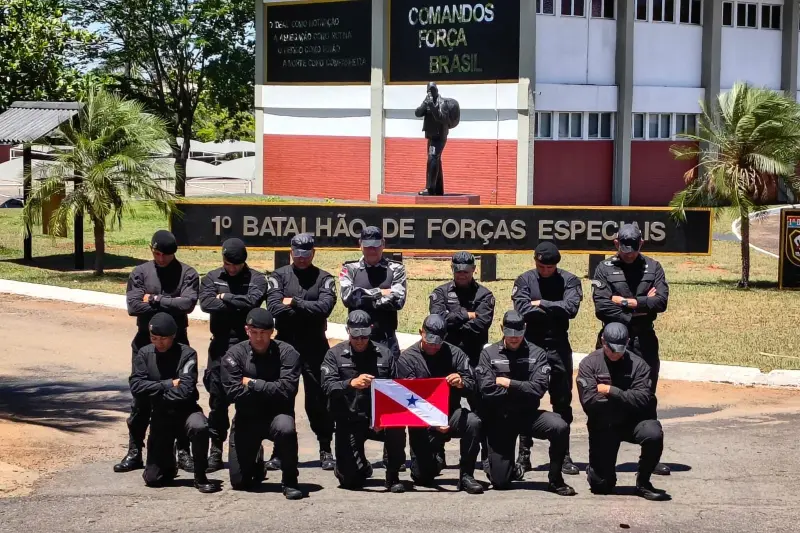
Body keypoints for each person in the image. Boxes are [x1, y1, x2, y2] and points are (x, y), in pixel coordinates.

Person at [115, 230, 199, 474]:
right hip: (145, 342)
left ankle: (183, 451)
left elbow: (188, 304)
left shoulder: (187, 273)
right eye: (157, 254)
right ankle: (134, 451)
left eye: (166, 255)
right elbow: (133, 306)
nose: (161, 259)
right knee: (140, 399)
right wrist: (170, 302)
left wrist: (153, 299)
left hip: (178, 344)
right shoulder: (140, 272)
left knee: (182, 396)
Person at [591, 222, 670, 476]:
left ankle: (650, 458)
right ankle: (600, 457)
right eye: (624, 249)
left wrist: (625, 302)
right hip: (612, 339)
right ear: (616, 244)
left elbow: (661, 302)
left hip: (644, 340)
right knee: (604, 395)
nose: (629, 254)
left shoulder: (653, 267)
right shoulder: (604, 268)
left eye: (634, 249)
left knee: (646, 395)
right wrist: (641, 307)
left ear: (641, 244)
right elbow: (602, 307)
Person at [476, 311, 576, 496]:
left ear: (525, 328)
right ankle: (509, 468)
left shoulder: (537, 353)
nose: (514, 338)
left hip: (528, 415)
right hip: (501, 418)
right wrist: (523, 389)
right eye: (510, 333)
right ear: (501, 329)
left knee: (560, 426)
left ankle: (556, 479)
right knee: (500, 481)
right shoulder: (488, 353)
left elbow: (538, 389)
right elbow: (487, 390)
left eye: (518, 333)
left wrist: (508, 383)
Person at [266, 233, 337, 472]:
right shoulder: (278, 276)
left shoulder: (324, 278)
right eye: (297, 255)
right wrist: (308, 308)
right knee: (282, 397)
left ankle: (325, 448)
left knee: (318, 399)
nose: (301, 259)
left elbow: (325, 309)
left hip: (315, 346)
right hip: (285, 346)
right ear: (291, 253)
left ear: (313, 253)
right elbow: (274, 308)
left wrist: (295, 303)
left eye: (306, 255)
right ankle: (279, 450)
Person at [577, 323, 670, 501]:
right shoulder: (589, 364)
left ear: (627, 342)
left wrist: (611, 391)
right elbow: (589, 401)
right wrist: (628, 397)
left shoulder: (639, 365)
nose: (615, 353)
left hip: (633, 422)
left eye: (619, 349)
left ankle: (643, 482)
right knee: (601, 486)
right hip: (604, 424)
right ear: (603, 341)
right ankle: (596, 470)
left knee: (653, 433)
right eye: (611, 348)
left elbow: (643, 400)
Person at [511, 241, 582, 475]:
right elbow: (522, 310)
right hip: (531, 346)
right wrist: (555, 308)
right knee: (526, 398)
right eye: (541, 267)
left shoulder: (570, 280)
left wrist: (541, 303)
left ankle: (563, 455)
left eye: (549, 268)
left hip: (558, 345)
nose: (545, 271)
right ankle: (524, 455)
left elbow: (571, 309)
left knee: (562, 400)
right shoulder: (525, 280)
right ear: (535, 261)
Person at [130, 313, 220, 493]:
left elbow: (185, 390)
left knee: (200, 426)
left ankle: (200, 475)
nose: (159, 343)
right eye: (154, 338)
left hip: (186, 411)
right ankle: (168, 463)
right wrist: (168, 384)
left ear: (173, 336)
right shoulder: (144, 354)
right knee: (153, 479)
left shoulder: (187, 354)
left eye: (163, 338)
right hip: (161, 414)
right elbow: (136, 387)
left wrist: (154, 390)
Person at [198, 238, 267, 472]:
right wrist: (237, 303)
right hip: (220, 346)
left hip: (248, 347)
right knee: (217, 401)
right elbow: (206, 304)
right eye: (228, 264)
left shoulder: (257, 279)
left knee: (250, 400)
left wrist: (225, 297)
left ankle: (253, 449)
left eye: (236, 265)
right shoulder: (211, 277)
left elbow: (252, 302)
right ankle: (215, 450)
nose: (232, 269)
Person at [395, 315, 484, 494]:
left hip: (450, 413)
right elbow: (403, 399)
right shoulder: (407, 359)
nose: (433, 347)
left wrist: (462, 383)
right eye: (430, 342)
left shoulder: (455, 353)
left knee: (473, 422)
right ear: (421, 333)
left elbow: (474, 384)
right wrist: (433, 422)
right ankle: (434, 459)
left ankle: (466, 475)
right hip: (421, 419)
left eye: (438, 343)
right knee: (422, 477)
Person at [220, 308, 304, 500]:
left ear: (272, 332)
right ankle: (256, 460)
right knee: (239, 483)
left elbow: (287, 391)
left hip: (277, 415)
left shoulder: (288, 353)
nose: (259, 338)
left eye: (264, 333)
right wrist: (272, 389)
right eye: (254, 332)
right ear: (247, 330)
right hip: (247, 417)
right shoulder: (234, 355)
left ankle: (290, 480)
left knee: (286, 428)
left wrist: (252, 383)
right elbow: (233, 393)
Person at [321, 310, 406, 493]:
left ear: (371, 330)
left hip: (378, 417)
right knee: (350, 481)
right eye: (355, 336)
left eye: (364, 336)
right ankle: (359, 466)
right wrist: (350, 384)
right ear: (347, 331)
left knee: (398, 426)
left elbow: (397, 390)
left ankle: (393, 475)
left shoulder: (385, 354)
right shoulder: (334, 355)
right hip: (349, 419)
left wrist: (384, 417)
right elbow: (327, 387)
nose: (360, 341)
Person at [428, 251, 495, 472]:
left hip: (475, 358)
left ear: (473, 270)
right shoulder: (440, 293)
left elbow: (481, 325)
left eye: (466, 271)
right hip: (447, 359)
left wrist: (454, 318)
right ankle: (436, 454)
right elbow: (437, 321)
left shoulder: (485, 295)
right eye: (458, 271)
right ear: (452, 269)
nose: (462, 274)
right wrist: (467, 315)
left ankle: (487, 456)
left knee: (482, 407)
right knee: (441, 408)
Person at [339, 225, 407, 360]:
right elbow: (347, 298)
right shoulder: (350, 268)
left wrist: (361, 297)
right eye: (368, 246)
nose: (372, 250)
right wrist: (380, 293)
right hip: (358, 340)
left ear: (383, 244)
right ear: (360, 244)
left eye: (376, 246)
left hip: (386, 339)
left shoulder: (396, 269)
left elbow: (398, 301)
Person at [414, 81, 448, 196]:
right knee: (435, 160)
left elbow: (442, 118)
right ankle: (438, 189)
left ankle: (430, 189)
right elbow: (417, 113)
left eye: (432, 90)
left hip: (440, 136)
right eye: (428, 91)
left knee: (432, 158)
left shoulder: (442, 103)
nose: (430, 93)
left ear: (436, 90)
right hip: (431, 136)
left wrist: (433, 107)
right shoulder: (427, 101)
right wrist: (425, 104)